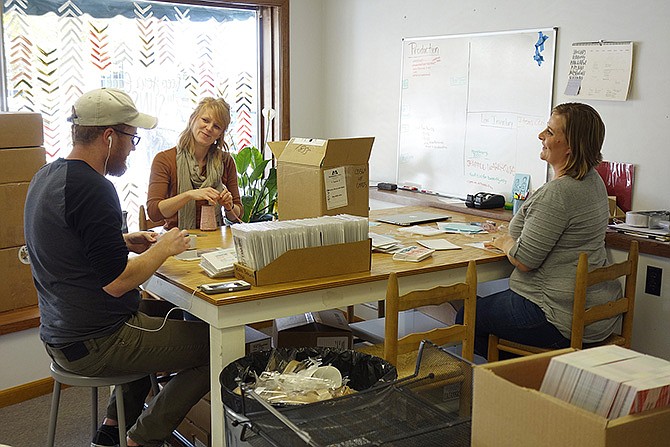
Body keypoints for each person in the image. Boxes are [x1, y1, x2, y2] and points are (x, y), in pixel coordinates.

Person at [24, 88, 210, 447]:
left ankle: (110, 428)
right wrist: (166, 248)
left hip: (61, 333)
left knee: (164, 314)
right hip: (97, 341)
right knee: (214, 346)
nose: (131, 148)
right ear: (109, 137)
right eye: (131, 138)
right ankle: (141, 438)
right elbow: (117, 283)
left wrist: (122, 242)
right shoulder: (94, 188)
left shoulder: (46, 177)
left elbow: (64, 246)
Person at [457, 102, 622, 359]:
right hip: (593, 311)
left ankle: (527, 376)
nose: (541, 136)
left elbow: (524, 260)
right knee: (478, 307)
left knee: (465, 316)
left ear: (570, 147)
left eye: (550, 132)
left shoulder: (559, 193)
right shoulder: (593, 181)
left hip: (554, 313)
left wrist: (503, 241)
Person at [147, 97, 243, 230]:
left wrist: (229, 206)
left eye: (216, 126)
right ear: (193, 119)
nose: (209, 128)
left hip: (216, 240)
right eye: (205, 120)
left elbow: (237, 215)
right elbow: (154, 213)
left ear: (220, 134)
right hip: (177, 239)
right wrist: (189, 195)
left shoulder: (226, 161)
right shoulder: (164, 159)